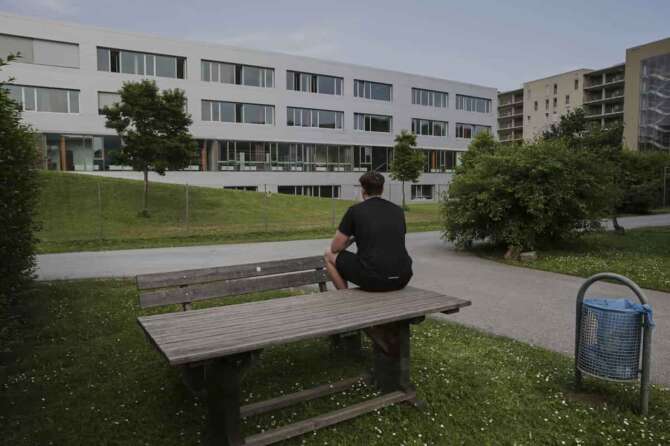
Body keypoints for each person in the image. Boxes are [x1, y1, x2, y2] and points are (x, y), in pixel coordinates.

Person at [324, 171, 413, 291]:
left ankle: (344, 295)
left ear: (363, 190)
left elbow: (335, 248)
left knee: (328, 254)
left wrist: (352, 240)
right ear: (382, 189)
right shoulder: (398, 211)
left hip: (373, 280)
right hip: (402, 278)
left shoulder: (355, 211)